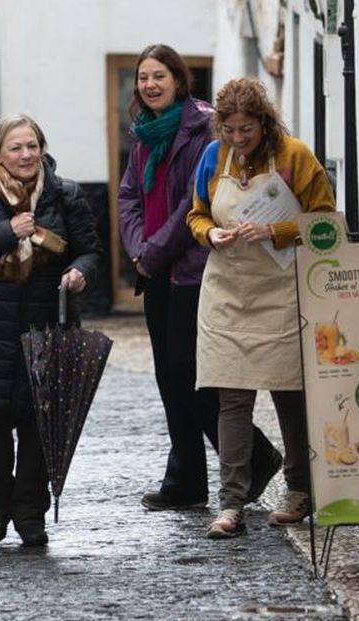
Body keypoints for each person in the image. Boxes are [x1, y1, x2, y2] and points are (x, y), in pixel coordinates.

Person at [118, 44, 283, 513]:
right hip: (155, 271)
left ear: (178, 79)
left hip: (193, 269)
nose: (150, 85)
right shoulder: (145, 132)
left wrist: (152, 251)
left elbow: (193, 205)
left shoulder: (203, 129)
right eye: (143, 77)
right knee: (170, 380)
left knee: (190, 373)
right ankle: (186, 480)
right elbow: (130, 194)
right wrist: (138, 249)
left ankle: (255, 456)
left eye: (159, 76)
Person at [0, 114, 103, 548]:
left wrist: (80, 273)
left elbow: (90, 251)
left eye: (32, 146)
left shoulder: (64, 194)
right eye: (16, 148)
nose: (27, 155)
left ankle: (31, 513)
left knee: (39, 426)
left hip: (47, 327)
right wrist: (6, 230)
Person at [187, 77, 336, 539]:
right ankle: (231, 502)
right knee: (230, 395)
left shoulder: (295, 156)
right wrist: (210, 234)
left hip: (282, 288)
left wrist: (277, 232)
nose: (237, 138)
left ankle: (298, 489)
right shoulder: (213, 159)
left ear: (263, 121)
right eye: (228, 129)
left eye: (245, 129)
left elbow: (326, 222)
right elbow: (197, 213)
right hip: (228, 290)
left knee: (289, 391)